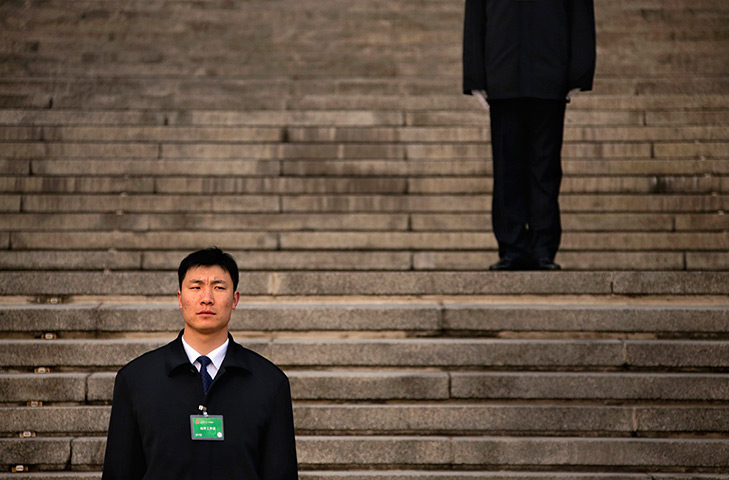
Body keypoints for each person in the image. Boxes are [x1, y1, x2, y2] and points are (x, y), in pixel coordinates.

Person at [102, 247, 298, 480]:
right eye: (196, 287)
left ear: (234, 299)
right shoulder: (136, 379)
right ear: (180, 298)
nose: (207, 298)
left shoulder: (270, 383)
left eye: (218, 287)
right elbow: (120, 471)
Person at [463, 0, 596, 270]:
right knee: (507, 169)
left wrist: (579, 74)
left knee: (544, 167)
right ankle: (512, 247)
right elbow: (475, 18)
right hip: (503, 76)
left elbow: (580, 14)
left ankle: (542, 248)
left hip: (549, 76)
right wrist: (475, 78)